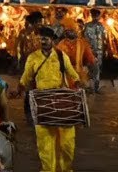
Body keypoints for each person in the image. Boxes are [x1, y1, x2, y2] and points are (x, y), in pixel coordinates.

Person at [20, 27, 80, 172]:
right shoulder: (33, 57)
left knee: (67, 142)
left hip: (61, 101)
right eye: (41, 39)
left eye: (46, 39)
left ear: (52, 40)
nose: (43, 41)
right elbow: (25, 78)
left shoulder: (61, 56)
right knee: (45, 143)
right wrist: (19, 89)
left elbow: (73, 74)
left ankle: (66, 169)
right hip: (42, 102)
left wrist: (78, 85)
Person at [81, 9, 107, 94]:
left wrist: (105, 49)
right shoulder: (87, 26)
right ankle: (89, 87)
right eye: (94, 15)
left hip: (99, 51)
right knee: (89, 69)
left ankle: (96, 87)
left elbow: (104, 39)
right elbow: (84, 39)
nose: (96, 17)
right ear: (91, 16)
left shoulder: (101, 26)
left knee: (98, 69)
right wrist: (88, 50)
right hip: (90, 51)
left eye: (97, 15)